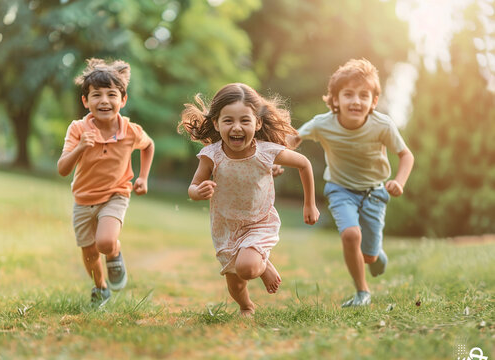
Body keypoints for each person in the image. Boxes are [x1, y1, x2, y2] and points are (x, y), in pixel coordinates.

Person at [178, 83, 319, 316]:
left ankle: (263, 265)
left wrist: (310, 204)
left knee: (247, 266)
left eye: (245, 120)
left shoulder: (266, 152)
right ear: (215, 123)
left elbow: (304, 164)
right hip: (226, 227)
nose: (237, 127)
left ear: (258, 123)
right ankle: (246, 306)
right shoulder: (211, 155)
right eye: (228, 121)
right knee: (235, 283)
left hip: (259, 221)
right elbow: (192, 188)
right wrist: (198, 191)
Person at [289, 58, 414, 307]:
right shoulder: (323, 123)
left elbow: (406, 155)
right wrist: (274, 161)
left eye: (363, 95)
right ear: (335, 99)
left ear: (373, 101)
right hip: (340, 189)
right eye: (348, 94)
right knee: (350, 235)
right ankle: (362, 293)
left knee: (368, 256)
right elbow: (293, 139)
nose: (356, 101)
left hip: (374, 193)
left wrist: (399, 182)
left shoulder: (382, 125)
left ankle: (375, 255)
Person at [58, 58, 155, 307]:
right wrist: (80, 147)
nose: (104, 101)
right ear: (85, 101)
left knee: (104, 242)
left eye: (112, 95)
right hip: (83, 199)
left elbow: (148, 146)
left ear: (122, 100)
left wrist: (143, 177)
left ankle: (114, 254)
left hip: (116, 193)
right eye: (96, 95)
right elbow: (62, 169)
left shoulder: (131, 130)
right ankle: (100, 289)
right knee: (89, 252)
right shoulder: (78, 129)